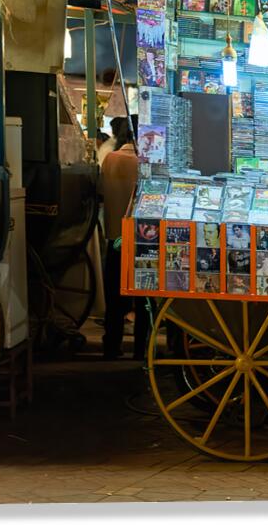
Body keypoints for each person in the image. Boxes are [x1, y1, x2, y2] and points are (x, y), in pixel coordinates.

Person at [99, 115, 148, 360]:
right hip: (141, 240)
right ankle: (142, 349)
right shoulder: (145, 164)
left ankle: (111, 347)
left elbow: (99, 192)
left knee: (114, 299)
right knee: (143, 299)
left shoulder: (109, 160)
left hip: (115, 239)